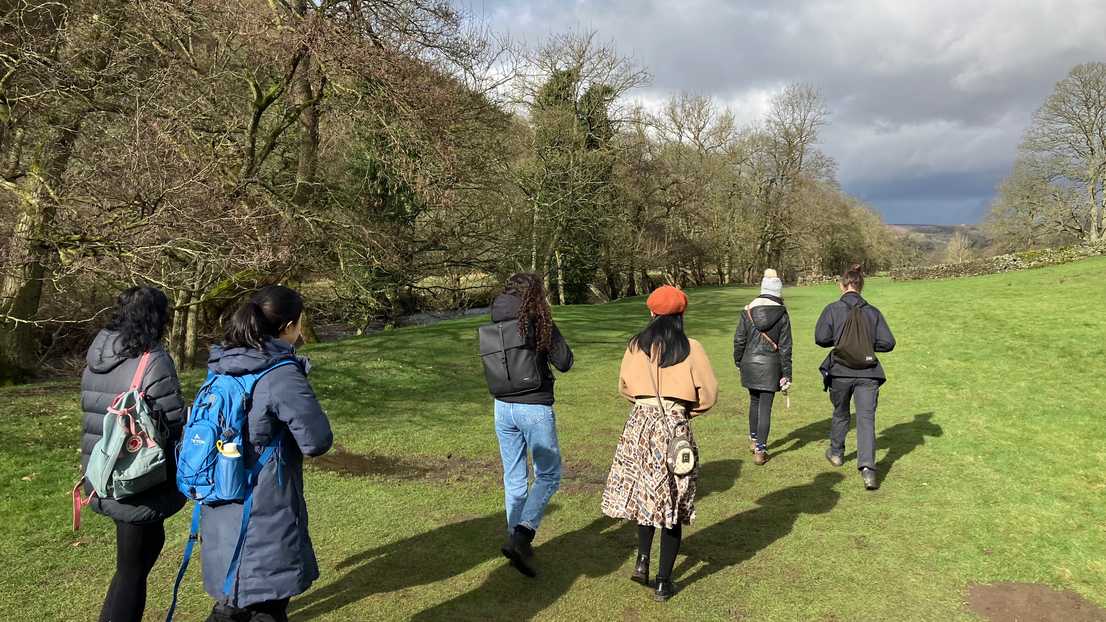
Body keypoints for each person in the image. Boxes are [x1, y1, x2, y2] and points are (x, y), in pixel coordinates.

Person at [202, 285, 333, 622]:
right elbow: (317, 440)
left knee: (233, 597)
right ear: (289, 326)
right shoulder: (281, 373)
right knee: (266, 604)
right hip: (264, 507)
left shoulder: (221, 363)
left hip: (221, 497)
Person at [602, 285, 719, 602]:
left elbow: (624, 387)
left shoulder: (634, 346)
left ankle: (642, 560)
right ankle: (664, 582)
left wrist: (644, 406)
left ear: (651, 313)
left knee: (644, 494)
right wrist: (683, 411)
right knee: (673, 501)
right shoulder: (692, 348)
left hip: (640, 425)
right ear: (681, 314)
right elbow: (708, 394)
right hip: (674, 428)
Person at [79, 286, 186, 622]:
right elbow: (172, 422)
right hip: (137, 481)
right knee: (132, 572)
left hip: (102, 473)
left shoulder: (97, 355)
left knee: (132, 564)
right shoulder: (153, 359)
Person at [488, 273, 574, 577]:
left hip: (501, 407)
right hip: (534, 406)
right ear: (535, 295)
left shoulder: (495, 319)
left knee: (514, 476)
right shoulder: (537, 321)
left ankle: (515, 537)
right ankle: (522, 534)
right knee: (548, 474)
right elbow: (564, 361)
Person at [815, 264, 896, 490]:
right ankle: (868, 469)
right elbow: (888, 343)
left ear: (842, 285)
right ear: (861, 286)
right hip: (869, 374)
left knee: (841, 412)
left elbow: (821, 338)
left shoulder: (832, 309)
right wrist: (866, 346)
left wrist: (843, 343)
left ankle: (837, 453)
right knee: (866, 419)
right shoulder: (873, 312)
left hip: (840, 371)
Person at [732, 269, 793, 465]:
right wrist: (787, 374)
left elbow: (739, 340)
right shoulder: (782, 314)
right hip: (771, 366)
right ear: (779, 290)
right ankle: (760, 450)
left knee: (754, 402)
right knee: (765, 407)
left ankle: (753, 440)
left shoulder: (747, 310)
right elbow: (785, 347)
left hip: (749, 363)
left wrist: (738, 361)